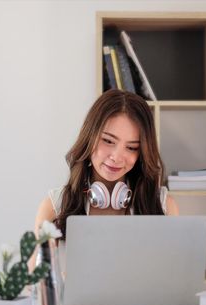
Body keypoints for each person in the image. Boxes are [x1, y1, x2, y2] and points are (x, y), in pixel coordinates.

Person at [34, 89, 179, 240]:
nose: (116, 157)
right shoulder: (55, 207)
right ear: (89, 138)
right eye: (108, 141)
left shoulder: (163, 206)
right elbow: (37, 264)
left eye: (131, 147)